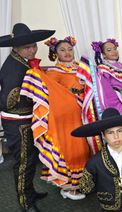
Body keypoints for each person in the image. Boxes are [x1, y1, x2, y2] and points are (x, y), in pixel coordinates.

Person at [20, 36, 91, 200]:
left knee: (85, 149)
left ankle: (83, 183)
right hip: (66, 120)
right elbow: (50, 94)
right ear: (55, 54)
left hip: (84, 115)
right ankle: (68, 187)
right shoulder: (52, 73)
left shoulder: (83, 69)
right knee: (71, 150)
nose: (67, 53)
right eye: (62, 50)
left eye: (69, 49)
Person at [0, 23, 55, 212]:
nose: (32, 50)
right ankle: (26, 202)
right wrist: (34, 98)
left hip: (27, 120)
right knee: (24, 163)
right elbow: (7, 102)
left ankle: (30, 192)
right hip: (18, 124)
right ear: (16, 48)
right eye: (26, 47)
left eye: (33, 45)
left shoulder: (22, 60)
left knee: (31, 160)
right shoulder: (13, 68)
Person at [90, 38, 122, 144]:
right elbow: (105, 92)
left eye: (114, 48)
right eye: (109, 50)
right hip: (118, 104)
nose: (114, 51)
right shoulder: (103, 68)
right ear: (103, 54)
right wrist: (117, 107)